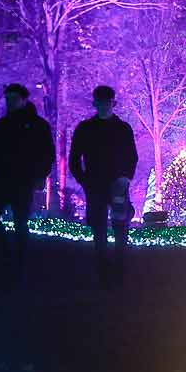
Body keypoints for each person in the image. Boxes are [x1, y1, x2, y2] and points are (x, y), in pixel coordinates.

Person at [0, 83, 56, 274]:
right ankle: (11, 256)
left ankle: (15, 259)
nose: (10, 102)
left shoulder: (35, 126)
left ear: (23, 100)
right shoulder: (5, 125)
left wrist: (40, 175)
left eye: (13, 99)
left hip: (22, 179)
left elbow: (47, 153)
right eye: (8, 99)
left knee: (18, 220)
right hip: (4, 178)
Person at [70, 84, 138, 287]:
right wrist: (85, 181)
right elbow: (74, 159)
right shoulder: (90, 128)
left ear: (111, 103)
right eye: (100, 102)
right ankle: (108, 273)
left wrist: (125, 178)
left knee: (117, 229)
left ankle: (115, 272)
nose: (103, 106)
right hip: (100, 184)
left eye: (105, 102)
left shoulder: (117, 128)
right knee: (102, 229)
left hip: (115, 183)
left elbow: (131, 157)